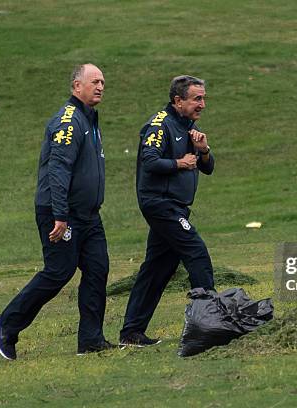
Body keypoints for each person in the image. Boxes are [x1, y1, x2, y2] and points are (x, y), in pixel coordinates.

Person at [0, 63, 115, 359]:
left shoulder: (90, 119)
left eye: (103, 82)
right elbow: (58, 170)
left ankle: (91, 340)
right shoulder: (69, 120)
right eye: (94, 81)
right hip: (60, 212)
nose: (100, 86)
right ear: (76, 86)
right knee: (59, 271)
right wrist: (60, 215)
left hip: (88, 215)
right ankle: (8, 324)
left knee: (97, 269)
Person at [119, 75, 215, 347]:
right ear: (178, 100)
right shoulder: (160, 125)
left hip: (176, 206)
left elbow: (207, 167)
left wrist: (203, 150)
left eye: (203, 98)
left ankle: (131, 332)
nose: (203, 104)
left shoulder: (189, 126)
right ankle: (210, 321)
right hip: (160, 204)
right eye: (197, 99)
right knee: (196, 252)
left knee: (157, 268)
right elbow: (149, 162)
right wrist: (179, 163)